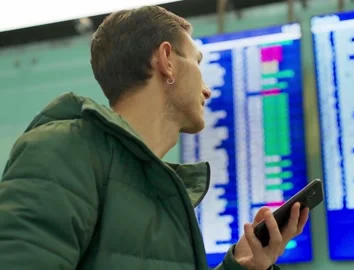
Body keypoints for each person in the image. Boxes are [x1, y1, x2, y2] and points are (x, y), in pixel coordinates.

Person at [0, 5, 309, 270]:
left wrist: (245, 265)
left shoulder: (159, 191)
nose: (207, 90)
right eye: (197, 61)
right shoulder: (62, 150)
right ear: (166, 59)